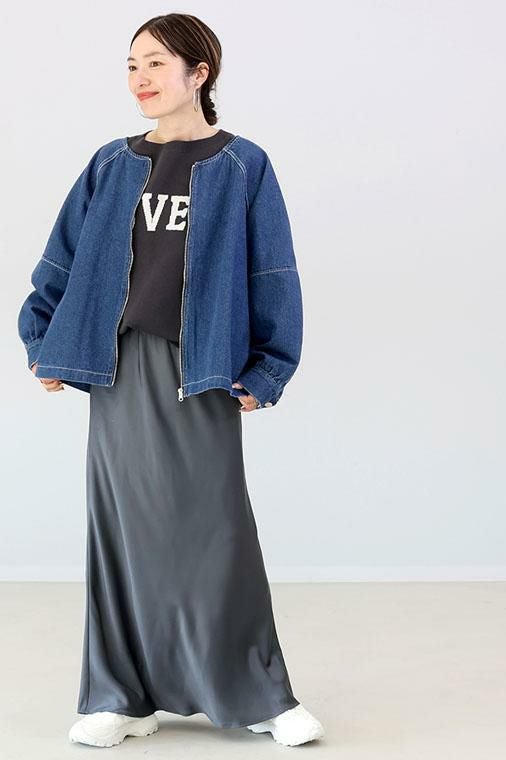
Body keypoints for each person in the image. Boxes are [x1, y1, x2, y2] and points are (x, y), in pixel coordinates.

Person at [18, 13, 325, 749]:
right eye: (132, 65)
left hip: (201, 369)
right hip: (118, 367)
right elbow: (62, 258)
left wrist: (268, 369)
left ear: (199, 72)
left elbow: (272, 271)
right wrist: (44, 342)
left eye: (155, 63)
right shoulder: (111, 163)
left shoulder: (243, 165)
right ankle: (122, 696)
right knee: (123, 532)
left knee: (215, 532)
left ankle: (256, 693)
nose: (140, 79)